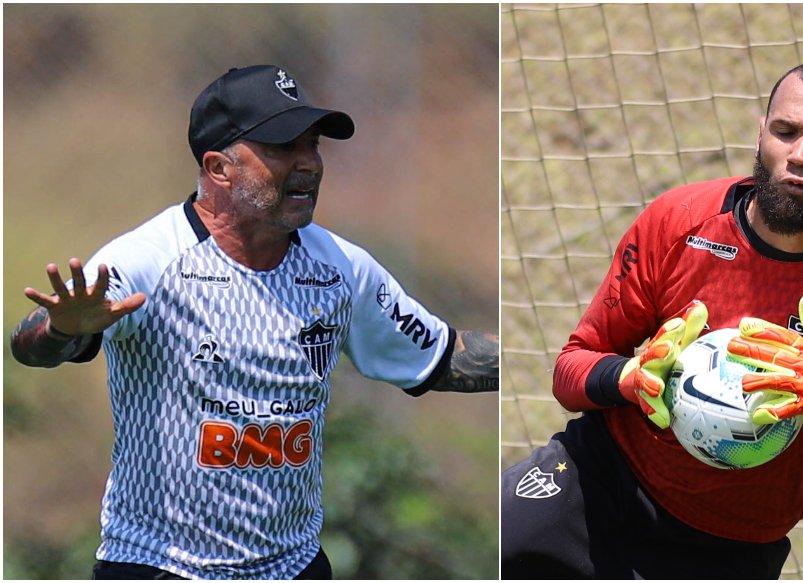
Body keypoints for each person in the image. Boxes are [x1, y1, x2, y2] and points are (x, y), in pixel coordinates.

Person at [10, 64, 498, 580]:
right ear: (219, 167)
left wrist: (557, 357)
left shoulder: (340, 268)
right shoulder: (149, 260)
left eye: (313, 145)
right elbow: (33, 344)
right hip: (162, 565)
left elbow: (445, 357)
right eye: (283, 148)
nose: (309, 164)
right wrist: (65, 329)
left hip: (293, 566)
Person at [500, 61, 803, 579]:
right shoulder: (679, 219)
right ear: (761, 133)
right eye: (785, 132)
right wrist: (630, 377)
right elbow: (570, 371)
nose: (799, 155)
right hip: (596, 482)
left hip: (730, 548)